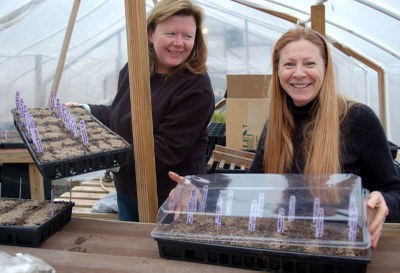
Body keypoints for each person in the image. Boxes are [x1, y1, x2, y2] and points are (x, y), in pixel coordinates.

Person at [168, 27, 400, 249]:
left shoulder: (357, 119)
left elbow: (395, 191)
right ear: (278, 71)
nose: (299, 73)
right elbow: (252, 191)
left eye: (309, 63)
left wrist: (383, 202)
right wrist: (201, 195)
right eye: (289, 64)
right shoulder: (275, 126)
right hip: (285, 245)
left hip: (339, 248)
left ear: (326, 68)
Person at [68, 0, 214, 221]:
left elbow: (162, 152)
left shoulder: (195, 87)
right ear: (150, 34)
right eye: (171, 33)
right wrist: (87, 111)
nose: (179, 43)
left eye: (187, 36)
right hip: (128, 189)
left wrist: (102, 158)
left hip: (172, 199)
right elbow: (122, 115)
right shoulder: (135, 69)